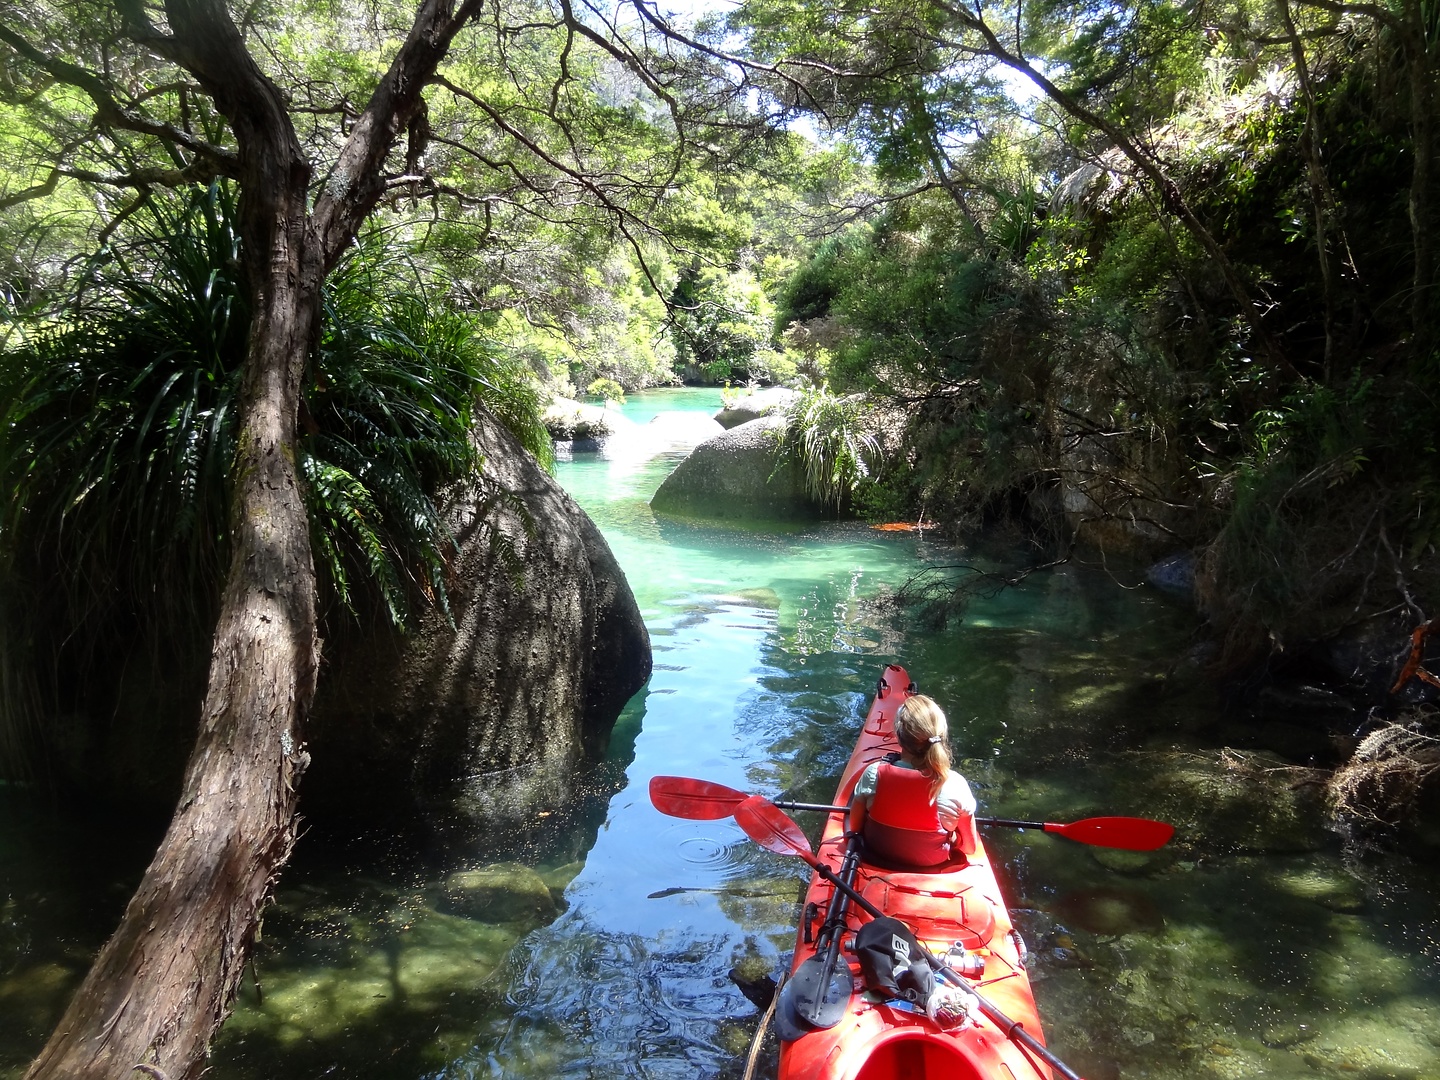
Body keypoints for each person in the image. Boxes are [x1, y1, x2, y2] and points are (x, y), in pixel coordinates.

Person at [848, 694, 979, 867]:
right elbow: (969, 848)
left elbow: (855, 828)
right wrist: (953, 838)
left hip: (877, 855)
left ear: (898, 735)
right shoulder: (955, 784)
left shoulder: (873, 773)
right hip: (932, 864)